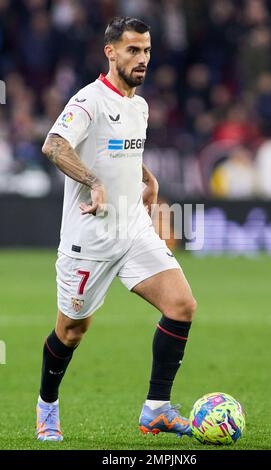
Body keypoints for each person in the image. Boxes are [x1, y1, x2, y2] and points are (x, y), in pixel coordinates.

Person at [36, 16, 197, 442]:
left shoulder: (139, 105)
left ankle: (156, 409)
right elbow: (54, 145)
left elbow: (123, 147)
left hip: (134, 230)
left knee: (181, 305)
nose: (142, 58)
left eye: (146, 50)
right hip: (89, 239)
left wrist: (147, 176)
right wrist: (93, 181)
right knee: (71, 332)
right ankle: (47, 405)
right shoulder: (88, 100)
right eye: (133, 50)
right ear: (111, 52)